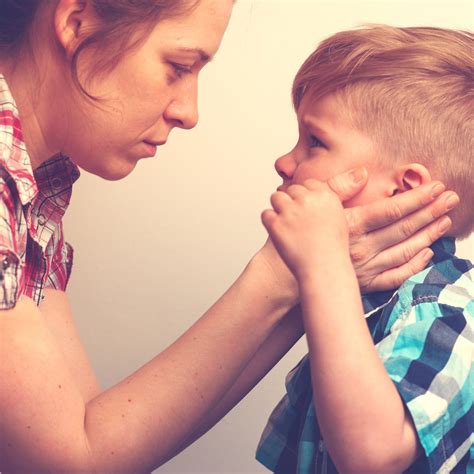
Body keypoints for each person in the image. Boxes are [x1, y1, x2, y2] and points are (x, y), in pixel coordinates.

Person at [0, 2, 458, 472]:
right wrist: (287, 273)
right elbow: (73, 459)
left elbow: (86, 435)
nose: (189, 112)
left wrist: (311, 279)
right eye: (178, 66)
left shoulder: (36, 188)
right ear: (77, 23)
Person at [257, 25, 473, 473]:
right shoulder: (359, 301)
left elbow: (373, 454)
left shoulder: (451, 308)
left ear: (403, 190)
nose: (284, 162)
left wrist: (323, 265)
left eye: (315, 142)